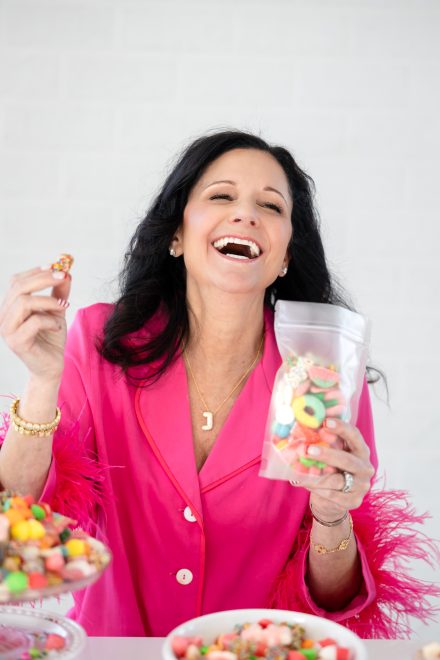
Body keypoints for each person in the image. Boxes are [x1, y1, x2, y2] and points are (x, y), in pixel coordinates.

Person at [0, 131, 437, 638]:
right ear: (176, 236)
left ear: (285, 256)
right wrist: (42, 379)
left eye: (270, 206)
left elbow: (336, 605)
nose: (246, 214)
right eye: (221, 196)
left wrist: (333, 515)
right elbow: (23, 517)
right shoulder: (101, 343)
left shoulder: (324, 374)